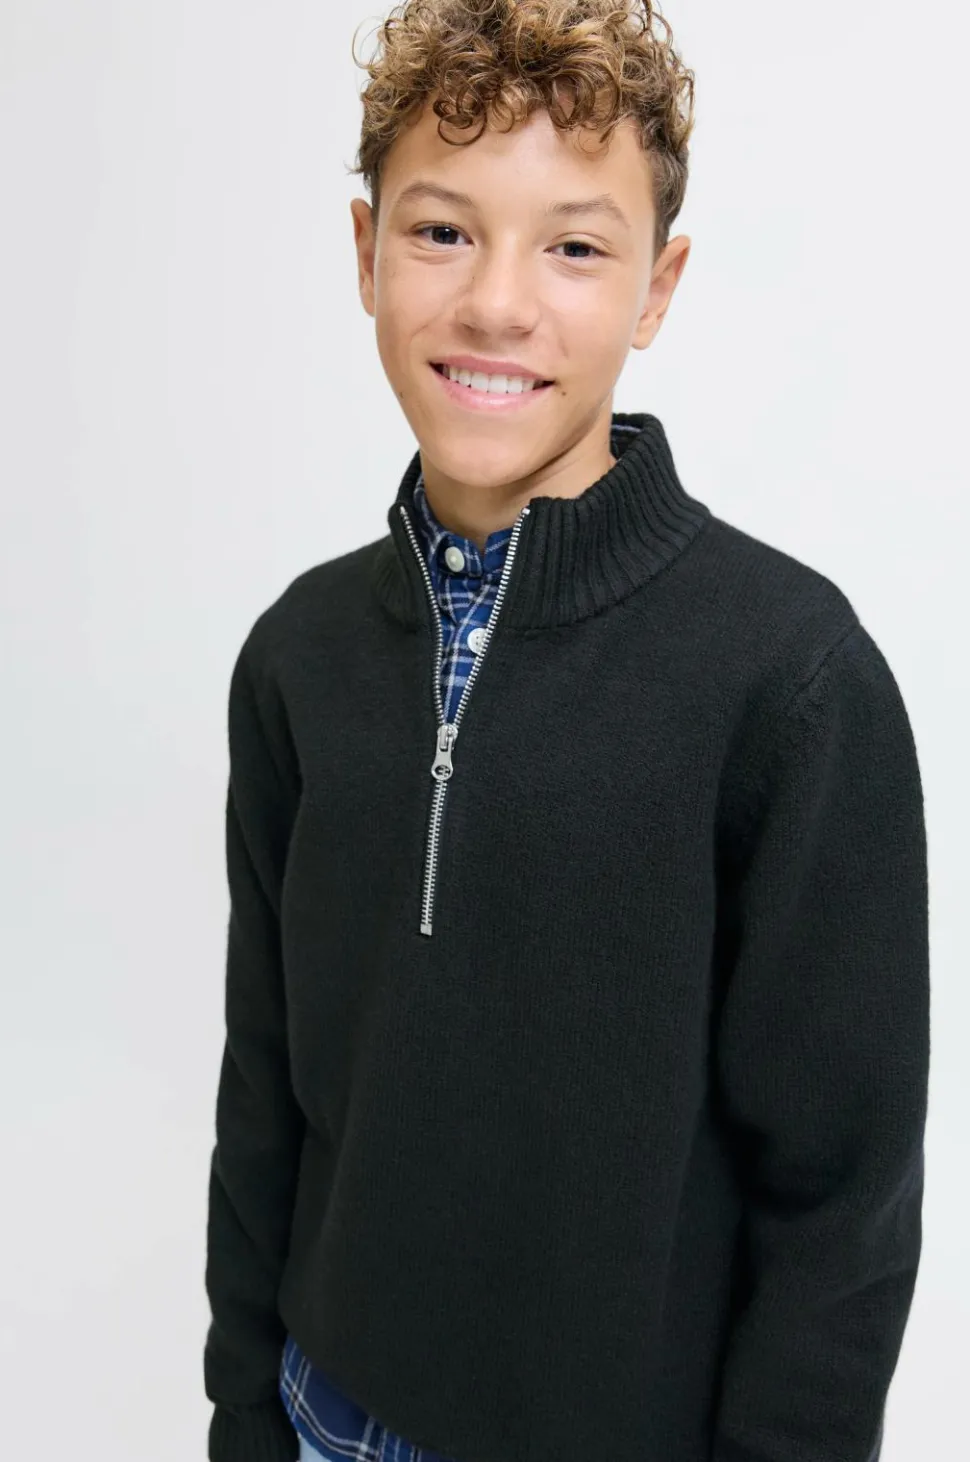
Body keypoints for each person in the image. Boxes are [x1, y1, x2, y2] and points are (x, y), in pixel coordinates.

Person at [202, 3, 930, 1461]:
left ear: (657, 288)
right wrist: (242, 1416)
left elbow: (838, 1203)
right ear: (365, 253)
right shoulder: (299, 656)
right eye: (442, 232)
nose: (497, 304)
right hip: (321, 1420)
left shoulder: (788, 679)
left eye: (575, 248)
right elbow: (267, 1093)